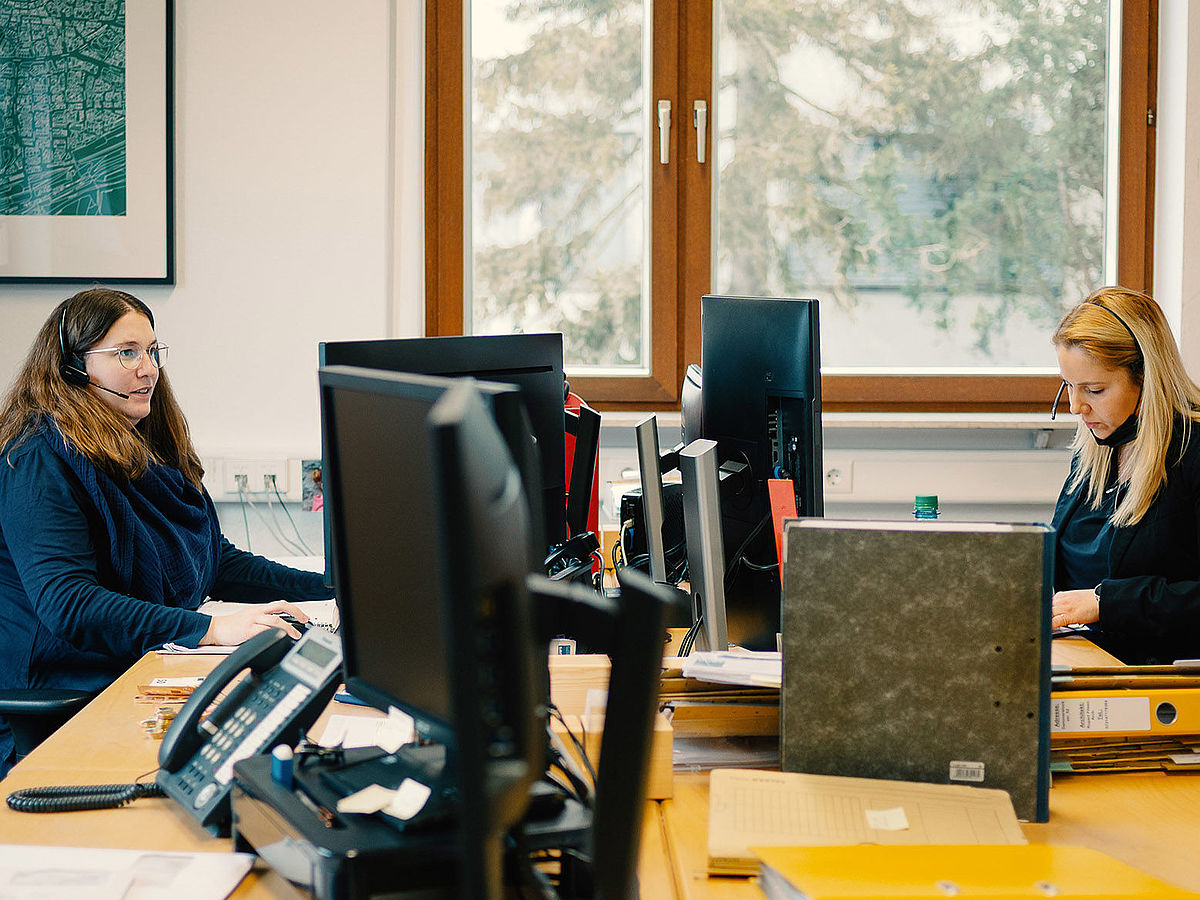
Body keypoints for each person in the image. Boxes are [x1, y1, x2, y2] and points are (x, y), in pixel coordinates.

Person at [0, 288, 334, 775]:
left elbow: (216, 562)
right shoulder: (37, 459)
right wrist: (214, 629)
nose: (148, 368)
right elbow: (69, 603)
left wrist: (332, 584)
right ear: (73, 367)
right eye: (126, 353)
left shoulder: (141, 444)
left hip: (133, 669)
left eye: (152, 351)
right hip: (68, 687)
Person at [1050, 285, 1200, 665]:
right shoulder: (1095, 449)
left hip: (1158, 675)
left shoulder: (1192, 452)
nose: (1075, 407)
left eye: (1094, 389)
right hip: (1085, 658)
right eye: (1068, 386)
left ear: (1147, 378)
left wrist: (1106, 603)